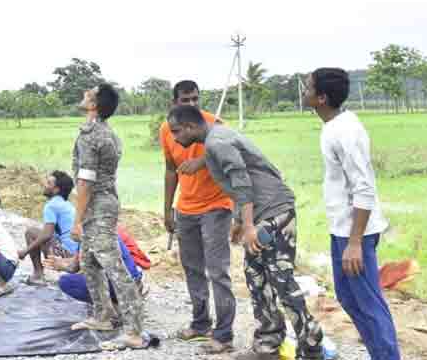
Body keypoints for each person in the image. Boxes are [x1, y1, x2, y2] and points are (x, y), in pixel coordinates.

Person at [168, 103, 326, 360]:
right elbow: (242, 180)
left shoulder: (217, 142)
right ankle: (268, 344)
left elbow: (242, 182)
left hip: (275, 213)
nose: (174, 138)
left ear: (190, 127)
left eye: (176, 131)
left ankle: (312, 346)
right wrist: (240, 221)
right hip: (260, 214)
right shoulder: (216, 138)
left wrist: (249, 225)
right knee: (256, 277)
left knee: (280, 279)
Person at [306, 68, 400, 360]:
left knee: (368, 303)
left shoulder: (346, 130)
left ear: (321, 97)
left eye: (308, 87)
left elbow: (364, 187)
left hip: (356, 233)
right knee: (349, 298)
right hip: (343, 230)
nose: (303, 90)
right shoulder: (332, 125)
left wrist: (355, 242)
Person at [70, 84, 147, 350]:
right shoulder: (108, 133)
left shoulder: (91, 135)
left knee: (114, 267)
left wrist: (77, 220)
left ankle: (134, 331)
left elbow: (85, 181)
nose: (84, 94)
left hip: (97, 206)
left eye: (88, 93)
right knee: (89, 262)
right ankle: (103, 315)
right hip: (102, 203)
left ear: (94, 105)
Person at [162, 80, 236, 353]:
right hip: (186, 208)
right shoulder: (167, 130)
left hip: (216, 205)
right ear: (174, 103)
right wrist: (168, 208)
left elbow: (231, 152)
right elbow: (170, 170)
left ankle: (224, 334)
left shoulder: (214, 124)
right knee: (192, 268)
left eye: (195, 99)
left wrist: (201, 161)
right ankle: (200, 323)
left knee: (217, 270)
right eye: (186, 100)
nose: (192, 105)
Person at [17, 170, 79, 285]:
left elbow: (47, 234)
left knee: (31, 232)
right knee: (40, 233)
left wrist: (25, 251)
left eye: (49, 183)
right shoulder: (67, 204)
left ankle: (38, 275)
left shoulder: (51, 205)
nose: (45, 185)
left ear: (56, 190)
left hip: (68, 256)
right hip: (77, 255)